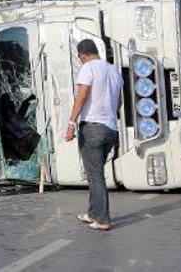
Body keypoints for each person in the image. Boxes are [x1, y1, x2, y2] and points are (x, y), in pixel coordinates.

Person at [65, 39, 123, 232]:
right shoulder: (114, 70)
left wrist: (71, 123)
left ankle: (103, 219)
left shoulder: (88, 68)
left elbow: (81, 97)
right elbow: (119, 102)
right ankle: (93, 213)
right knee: (94, 172)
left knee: (96, 175)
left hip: (92, 128)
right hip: (111, 129)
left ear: (82, 55)